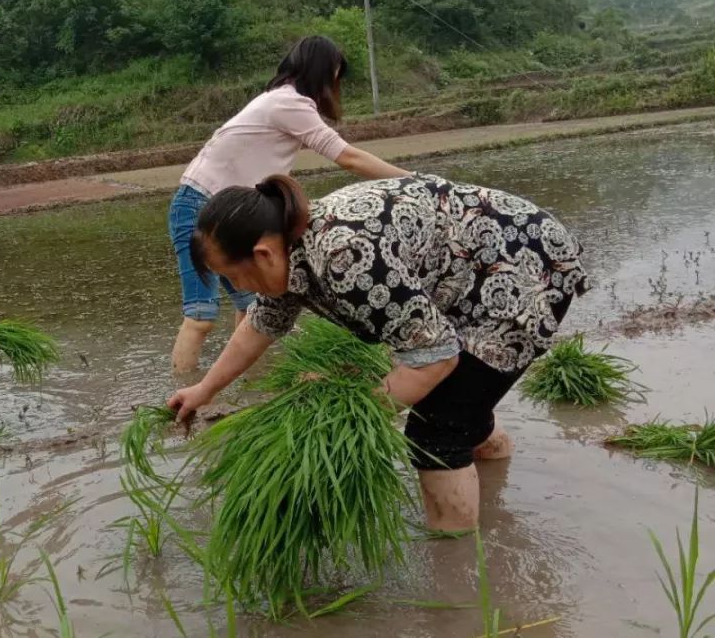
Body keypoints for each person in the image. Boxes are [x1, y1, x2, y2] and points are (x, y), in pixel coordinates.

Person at [166, 173, 589, 531]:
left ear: (261, 252)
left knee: (436, 432)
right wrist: (204, 389)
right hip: (468, 276)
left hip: (521, 268)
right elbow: (262, 324)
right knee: (457, 405)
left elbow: (436, 355)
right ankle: (492, 470)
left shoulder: (342, 255)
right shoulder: (288, 248)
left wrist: (352, 420)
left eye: (234, 276)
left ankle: (459, 569)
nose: (238, 288)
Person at [169, 35, 409, 373]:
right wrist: (411, 180)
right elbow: (348, 158)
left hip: (230, 213)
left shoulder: (278, 101)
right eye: (337, 74)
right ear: (327, 71)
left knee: (253, 308)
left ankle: (246, 392)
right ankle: (178, 407)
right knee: (200, 316)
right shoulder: (289, 103)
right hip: (201, 208)